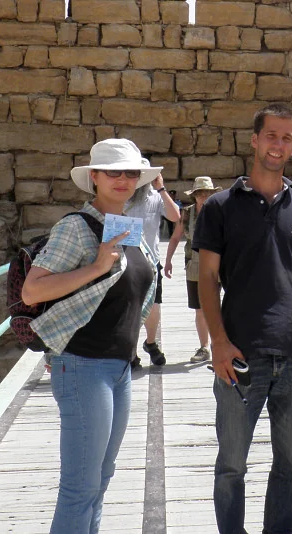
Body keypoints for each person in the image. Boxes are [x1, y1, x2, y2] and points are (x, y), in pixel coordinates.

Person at [193, 103, 292, 534]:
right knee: (231, 463)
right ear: (255, 140)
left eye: (287, 138)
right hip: (240, 352)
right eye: (271, 136)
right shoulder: (220, 206)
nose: (278, 145)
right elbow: (207, 278)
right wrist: (218, 342)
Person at [20, 138, 161, 534]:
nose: (123, 179)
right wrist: (97, 267)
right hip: (83, 365)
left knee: (100, 479)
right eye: (113, 172)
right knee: (81, 487)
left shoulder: (125, 227)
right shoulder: (75, 228)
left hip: (118, 367)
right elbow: (32, 291)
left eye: (130, 172)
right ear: (94, 176)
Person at [125, 169, 181, 366]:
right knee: (129, 307)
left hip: (151, 260)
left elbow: (175, 216)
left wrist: (161, 188)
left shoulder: (156, 196)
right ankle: (130, 351)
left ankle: (150, 342)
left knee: (154, 306)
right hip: (126, 261)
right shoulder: (121, 195)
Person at [164, 176, 220, 363]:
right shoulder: (187, 214)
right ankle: (204, 347)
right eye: (200, 194)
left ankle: (220, 345)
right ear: (194, 196)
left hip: (219, 266)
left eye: (207, 194)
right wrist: (168, 260)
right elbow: (175, 238)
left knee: (219, 307)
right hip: (194, 266)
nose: (204, 197)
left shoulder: (221, 211)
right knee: (199, 308)